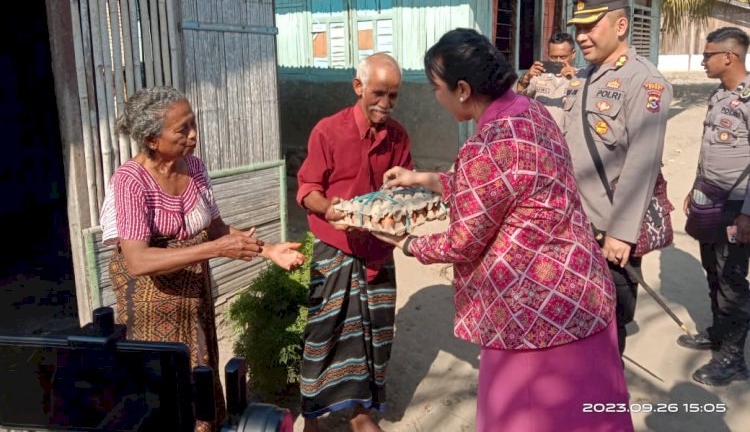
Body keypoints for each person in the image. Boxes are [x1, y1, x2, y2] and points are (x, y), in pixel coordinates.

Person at [378, 29, 632, 432]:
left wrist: (408, 244)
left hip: (533, 314)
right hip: (583, 292)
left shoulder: (489, 144)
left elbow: (462, 241)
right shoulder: (531, 113)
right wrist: (422, 178)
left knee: (529, 418)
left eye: (435, 88)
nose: (435, 98)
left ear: (462, 89)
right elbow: (502, 188)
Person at [100, 86, 304, 432]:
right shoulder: (130, 181)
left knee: (201, 372)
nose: (194, 135)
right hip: (151, 304)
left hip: (194, 295)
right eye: (183, 130)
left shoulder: (194, 168)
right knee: (162, 390)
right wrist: (213, 250)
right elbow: (137, 260)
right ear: (152, 139)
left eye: (193, 124)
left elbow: (215, 227)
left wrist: (268, 250)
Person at [296, 53, 413, 432]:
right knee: (324, 332)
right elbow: (308, 188)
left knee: (376, 334)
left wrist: (402, 206)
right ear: (358, 87)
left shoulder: (398, 136)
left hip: (378, 250)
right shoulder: (328, 131)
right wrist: (329, 209)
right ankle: (312, 414)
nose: (385, 103)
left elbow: (404, 190)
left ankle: (361, 413)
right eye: (379, 93)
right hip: (336, 248)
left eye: (393, 96)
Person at [562, 0, 672, 356]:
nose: (581, 37)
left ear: (621, 25)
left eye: (590, 27)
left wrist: (622, 234)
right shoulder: (585, 77)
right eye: (578, 28)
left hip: (609, 232)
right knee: (576, 317)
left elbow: (643, 162)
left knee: (609, 327)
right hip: (573, 225)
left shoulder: (645, 82)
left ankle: (606, 406)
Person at [679, 27, 750, 386]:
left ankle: (733, 359)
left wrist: (748, 213)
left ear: (729, 57)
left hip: (738, 204)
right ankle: (718, 335)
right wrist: (695, 186)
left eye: (708, 54)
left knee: (731, 280)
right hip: (711, 198)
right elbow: (709, 150)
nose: (703, 60)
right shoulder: (719, 95)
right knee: (713, 271)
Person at [516, 32, 578, 125]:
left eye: (563, 57)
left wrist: (574, 79)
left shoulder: (581, 78)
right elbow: (519, 100)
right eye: (553, 57)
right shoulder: (539, 75)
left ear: (573, 54)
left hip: (567, 137)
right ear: (548, 53)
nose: (558, 61)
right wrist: (527, 77)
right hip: (543, 134)